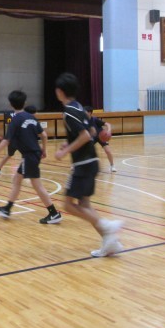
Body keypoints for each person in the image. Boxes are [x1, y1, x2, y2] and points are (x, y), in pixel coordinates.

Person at [54, 73, 123, 257]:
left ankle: (107, 226)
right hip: (92, 161)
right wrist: (69, 143)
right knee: (84, 204)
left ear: (60, 92)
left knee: (68, 205)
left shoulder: (69, 112)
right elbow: (92, 131)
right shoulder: (79, 107)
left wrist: (65, 151)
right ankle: (111, 242)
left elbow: (85, 136)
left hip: (83, 163)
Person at [0, 92, 61, 224]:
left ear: (11, 104)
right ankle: (7, 208)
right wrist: (44, 149)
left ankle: (53, 213)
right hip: (33, 154)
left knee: (37, 185)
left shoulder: (15, 119)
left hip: (29, 156)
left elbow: (6, 141)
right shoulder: (31, 117)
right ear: (25, 103)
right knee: (17, 179)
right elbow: (44, 135)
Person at [0, 105, 37, 176]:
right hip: (19, 141)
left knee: (9, 155)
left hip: (14, 141)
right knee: (25, 155)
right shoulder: (27, 119)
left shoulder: (20, 118)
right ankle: (24, 171)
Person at [84, 106, 117, 173]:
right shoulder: (84, 121)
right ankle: (77, 165)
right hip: (92, 137)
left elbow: (108, 124)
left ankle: (112, 166)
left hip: (101, 137)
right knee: (84, 150)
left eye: (85, 112)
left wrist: (109, 131)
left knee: (108, 151)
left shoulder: (95, 120)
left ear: (89, 113)